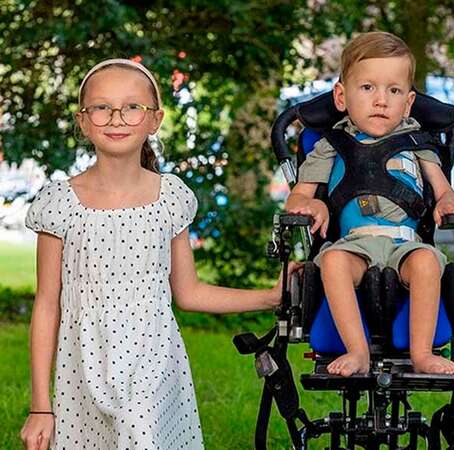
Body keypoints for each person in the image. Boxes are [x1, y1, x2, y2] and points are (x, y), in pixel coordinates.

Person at [18, 59, 293, 450]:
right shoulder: (60, 204)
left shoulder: (169, 198)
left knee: (141, 432)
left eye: (132, 107)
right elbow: (47, 305)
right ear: (83, 120)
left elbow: (189, 292)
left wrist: (268, 296)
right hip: (82, 367)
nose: (116, 117)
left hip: (152, 359)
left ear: (155, 119)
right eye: (101, 107)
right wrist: (40, 408)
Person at [285, 31, 454, 377]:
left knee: (428, 264)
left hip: (406, 242)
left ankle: (421, 353)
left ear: (409, 102)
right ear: (341, 96)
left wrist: (448, 203)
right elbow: (298, 196)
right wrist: (315, 206)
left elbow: (445, 191)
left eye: (394, 90)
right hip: (354, 241)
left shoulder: (417, 142)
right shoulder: (329, 145)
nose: (381, 100)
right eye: (368, 88)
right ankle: (357, 351)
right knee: (334, 262)